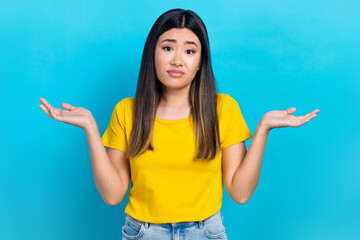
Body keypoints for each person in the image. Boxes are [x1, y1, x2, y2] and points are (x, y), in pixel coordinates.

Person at [39, 8, 319, 240]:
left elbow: (240, 192)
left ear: (200, 62)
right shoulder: (127, 111)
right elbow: (113, 195)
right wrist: (90, 127)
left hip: (206, 232)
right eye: (168, 47)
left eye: (189, 51)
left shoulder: (223, 108)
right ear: (153, 54)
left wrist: (263, 129)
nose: (177, 60)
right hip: (142, 233)